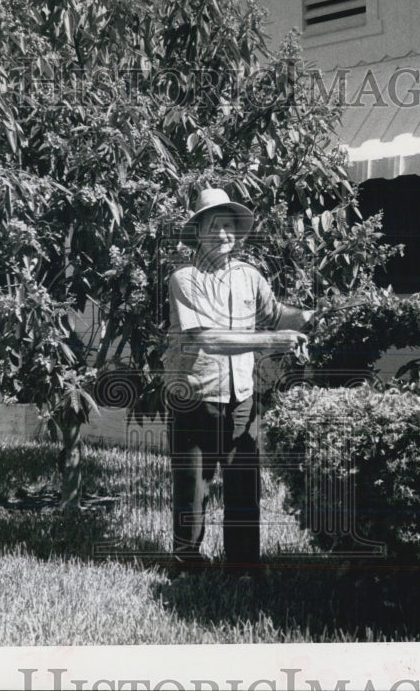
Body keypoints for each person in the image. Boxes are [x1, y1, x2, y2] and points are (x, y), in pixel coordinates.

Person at [162, 188, 314, 575]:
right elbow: (207, 339)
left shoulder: (250, 276)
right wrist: (272, 341)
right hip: (195, 394)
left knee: (244, 484)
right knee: (193, 487)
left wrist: (313, 316)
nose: (223, 234)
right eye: (214, 226)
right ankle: (187, 565)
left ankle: (244, 565)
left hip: (241, 396)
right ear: (198, 231)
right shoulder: (184, 279)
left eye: (229, 225)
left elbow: (276, 314)